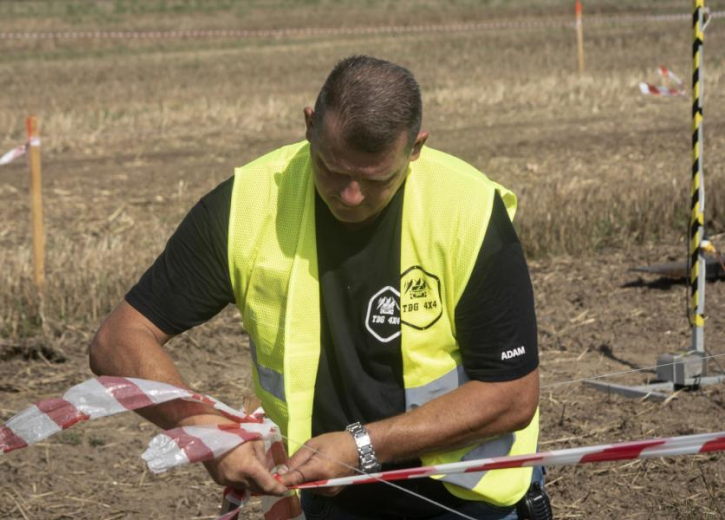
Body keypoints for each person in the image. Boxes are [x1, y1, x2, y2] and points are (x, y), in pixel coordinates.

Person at [89, 55, 549, 520]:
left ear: (415, 149)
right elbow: (118, 341)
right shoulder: (247, 206)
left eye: (374, 180)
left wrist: (364, 446)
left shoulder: (466, 210)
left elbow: (511, 395)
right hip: (326, 500)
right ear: (309, 125)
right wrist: (207, 432)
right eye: (331, 169)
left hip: (469, 501)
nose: (349, 196)